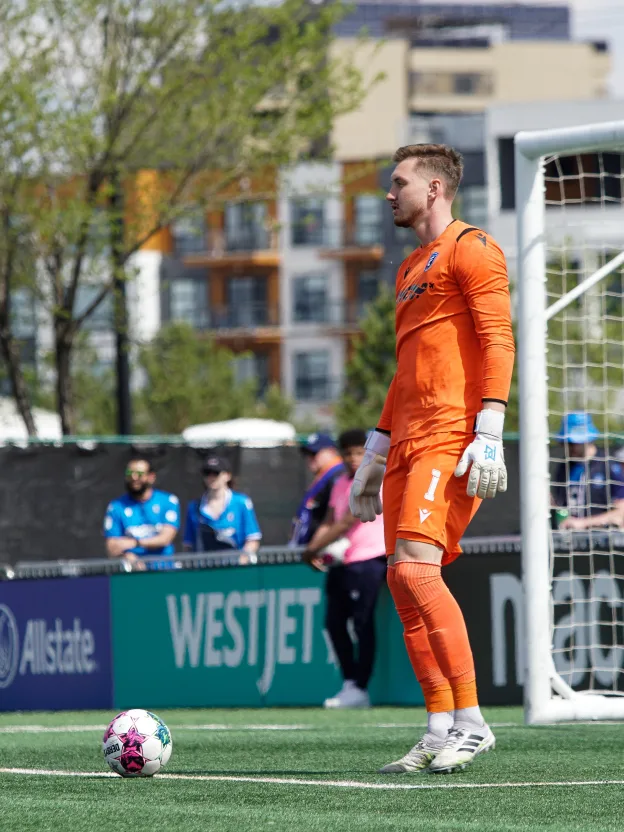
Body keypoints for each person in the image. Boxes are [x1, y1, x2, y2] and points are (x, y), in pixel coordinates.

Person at [349, 144, 515, 775]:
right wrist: (374, 452)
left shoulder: (474, 247)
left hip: (451, 434)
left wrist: (490, 428)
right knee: (400, 578)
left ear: (435, 189)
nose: (389, 194)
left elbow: (498, 339)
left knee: (418, 573)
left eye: (399, 183)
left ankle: (472, 722)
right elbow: (405, 370)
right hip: (407, 439)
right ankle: (439, 724)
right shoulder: (409, 266)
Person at [303, 429, 387, 709]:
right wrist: (313, 549)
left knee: (362, 623)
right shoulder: (339, 482)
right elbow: (330, 520)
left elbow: (347, 521)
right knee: (334, 623)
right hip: (342, 561)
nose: (353, 458)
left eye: (359, 452)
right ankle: (350, 682)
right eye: (348, 453)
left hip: (370, 558)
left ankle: (361, 686)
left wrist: (311, 549)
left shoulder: (374, 477)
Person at [104, 457, 180, 570]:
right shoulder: (116, 506)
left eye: (139, 474)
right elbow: (111, 546)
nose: (134, 477)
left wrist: (135, 543)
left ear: (151, 477)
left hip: (164, 570)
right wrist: (125, 556)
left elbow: (165, 538)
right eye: (130, 473)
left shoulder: (168, 501)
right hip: (132, 573)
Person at [552, 412, 624, 531]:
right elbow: (561, 505)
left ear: (587, 440)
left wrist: (584, 523)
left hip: (602, 537)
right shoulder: (564, 467)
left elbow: (621, 512)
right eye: (565, 443)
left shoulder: (608, 466)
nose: (568, 447)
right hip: (569, 537)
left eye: (572, 443)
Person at [183, 455, 262, 563]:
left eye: (216, 473)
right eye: (207, 473)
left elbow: (252, 539)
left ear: (227, 476)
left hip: (235, 567)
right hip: (204, 568)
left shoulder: (241, 503)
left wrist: (240, 561)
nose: (211, 477)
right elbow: (189, 544)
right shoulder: (194, 507)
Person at [289, 433, 344, 547]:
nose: (309, 458)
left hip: (323, 549)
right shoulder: (324, 476)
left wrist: (314, 547)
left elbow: (335, 518)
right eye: (307, 454)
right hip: (309, 547)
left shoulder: (338, 475)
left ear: (332, 451)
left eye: (314, 453)